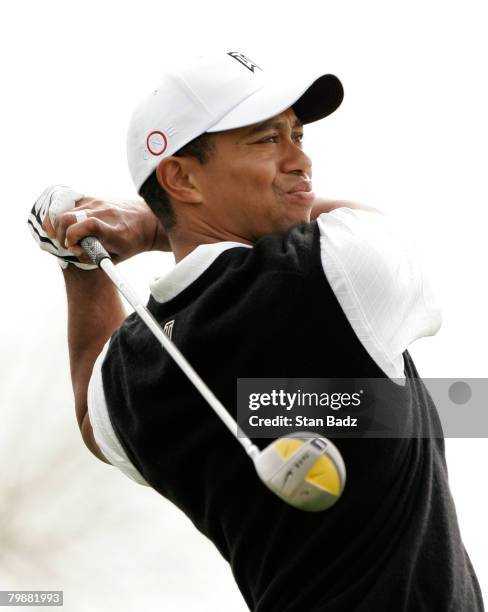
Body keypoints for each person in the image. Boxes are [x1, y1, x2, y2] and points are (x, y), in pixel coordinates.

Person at [28, 51, 484, 611]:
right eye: (269, 140)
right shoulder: (329, 273)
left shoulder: (136, 370)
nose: (302, 160)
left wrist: (79, 263)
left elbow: (90, 419)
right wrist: (148, 226)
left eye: (297, 134)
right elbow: (371, 227)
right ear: (182, 176)